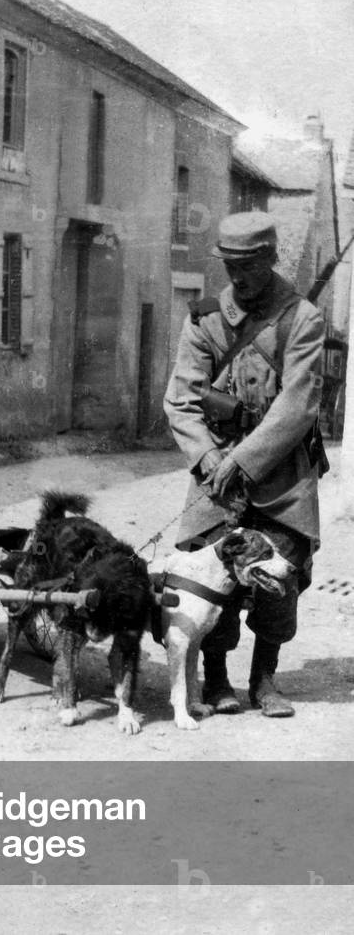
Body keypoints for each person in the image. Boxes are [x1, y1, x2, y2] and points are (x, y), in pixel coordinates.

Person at [163, 211, 326, 717]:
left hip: (280, 474)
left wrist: (245, 460)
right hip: (215, 471)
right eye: (230, 266)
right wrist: (210, 456)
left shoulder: (303, 318)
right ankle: (215, 678)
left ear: (272, 258)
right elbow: (180, 400)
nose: (239, 277)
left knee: (280, 573)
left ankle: (266, 679)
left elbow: (298, 404)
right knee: (212, 566)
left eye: (250, 265)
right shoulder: (204, 320)